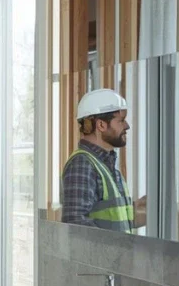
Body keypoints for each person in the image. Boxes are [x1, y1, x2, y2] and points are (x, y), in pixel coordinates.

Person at [61, 89, 146, 232]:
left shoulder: (107, 165)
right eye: (121, 121)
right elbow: (76, 227)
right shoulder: (82, 164)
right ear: (101, 125)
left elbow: (112, 220)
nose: (127, 126)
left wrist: (142, 210)